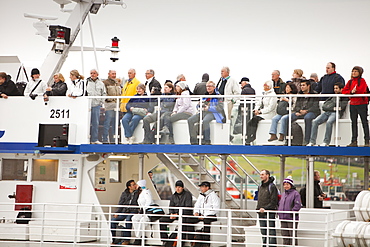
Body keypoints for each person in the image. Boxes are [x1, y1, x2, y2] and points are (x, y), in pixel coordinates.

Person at [278, 80, 320, 144]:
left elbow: (315, 107)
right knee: (285, 118)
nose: (301, 87)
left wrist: (307, 111)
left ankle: (307, 140)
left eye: (303, 85)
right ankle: (287, 139)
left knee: (308, 118)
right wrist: (300, 111)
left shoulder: (314, 94)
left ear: (308, 86)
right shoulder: (299, 95)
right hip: (300, 112)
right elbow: (296, 106)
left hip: (311, 112)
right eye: (301, 85)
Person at [342, 66, 370, 147]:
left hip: (362, 103)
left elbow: (362, 90)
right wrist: (351, 91)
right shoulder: (350, 81)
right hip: (353, 104)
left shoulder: (362, 80)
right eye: (353, 71)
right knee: (353, 123)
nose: (353, 73)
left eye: (355, 71)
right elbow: (344, 90)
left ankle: (367, 140)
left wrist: (354, 91)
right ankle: (354, 141)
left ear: (359, 73)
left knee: (364, 122)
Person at [190, 181, 220, 247]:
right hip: (201, 215)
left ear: (207, 187)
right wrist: (196, 212)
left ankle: (206, 243)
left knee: (206, 221)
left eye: (202, 187)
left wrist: (205, 216)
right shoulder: (201, 195)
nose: (201, 188)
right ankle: (191, 239)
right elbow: (197, 205)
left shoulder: (214, 196)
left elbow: (216, 209)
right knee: (189, 220)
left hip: (211, 216)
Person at [111, 180, 139, 245]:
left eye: (135, 184)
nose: (135, 185)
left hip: (133, 211)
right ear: (129, 187)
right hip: (124, 212)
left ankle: (127, 240)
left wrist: (138, 189)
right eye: (133, 184)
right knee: (113, 220)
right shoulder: (124, 193)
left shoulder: (138, 193)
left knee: (128, 219)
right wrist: (117, 212)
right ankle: (113, 239)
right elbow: (121, 203)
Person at [256, 169, 278, 247]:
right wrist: (258, 209)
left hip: (269, 212)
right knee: (263, 232)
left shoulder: (272, 186)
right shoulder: (260, 186)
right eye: (260, 174)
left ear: (267, 175)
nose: (261, 176)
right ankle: (264, 245)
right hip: (261, 213)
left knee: (271, 231)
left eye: (262, 174)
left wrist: (265, 208)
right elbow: (259, 199)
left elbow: (274, 201)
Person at [278, 176, 302, 246]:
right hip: (283, 217)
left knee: (292, 236)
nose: (286, 186)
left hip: (291, 218)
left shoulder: (295, 193)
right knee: (285, 236)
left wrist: (292, 212)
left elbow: (298, 205)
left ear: (291, 185)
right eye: (284, 184)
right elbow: (280, 204)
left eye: (287, 184)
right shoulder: (283, 194)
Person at [86, 69, 106, 144]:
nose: (92, 74)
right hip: (87, 105)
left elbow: (104, 93)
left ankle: (94, 139)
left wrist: (101, 102)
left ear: (97, 74)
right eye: (91, 73)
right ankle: (86, 138)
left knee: (95, 122)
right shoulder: (86, 82)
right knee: (87, 122)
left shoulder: (101, 83)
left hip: (96, 105)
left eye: (94, 73)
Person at [102, 70, 122, 143]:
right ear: (109, 74)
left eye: (115, 74)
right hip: (109, 105)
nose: (114, 75)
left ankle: (114, 139)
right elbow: (104, 94)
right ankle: (105, 138)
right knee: (107, 122)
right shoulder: (105, 83)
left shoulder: (117, 83)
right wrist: (111, 99)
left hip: (117, 106)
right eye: (112, 74)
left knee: (115, 123)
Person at [132, 180, 153, 245]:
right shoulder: (141, 192)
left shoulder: (146, 192)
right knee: (134, 218)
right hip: (142, 212)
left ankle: (138, 238)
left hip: (148, 212)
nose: (136, 186)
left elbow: (149, 202)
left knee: (142, 220)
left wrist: (145, 209)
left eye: (137, 185)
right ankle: (140, 236)